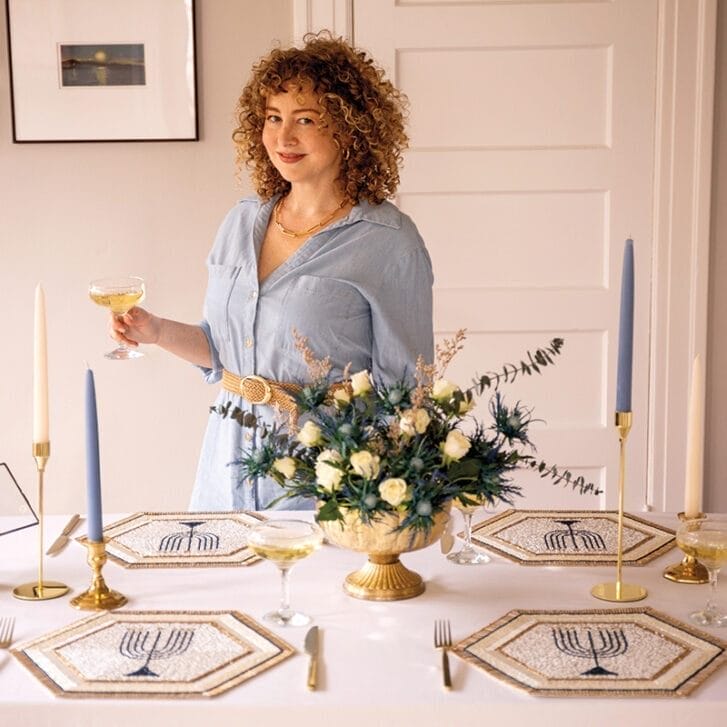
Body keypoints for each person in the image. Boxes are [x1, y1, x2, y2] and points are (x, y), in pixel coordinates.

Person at [110, 33, 434, 511]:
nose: (283, 138)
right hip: (225, 472)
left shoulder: (388, 242)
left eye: (306, 120)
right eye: (272, 118)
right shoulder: (241, 222)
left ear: (350, 129)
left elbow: (407, 391)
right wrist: (156, 331)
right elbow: (225, 351)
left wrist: (384, 503)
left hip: (325, 482)